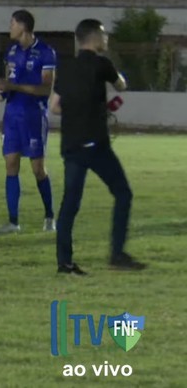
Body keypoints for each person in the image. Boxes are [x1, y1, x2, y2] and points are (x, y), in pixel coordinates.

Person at [50, 19, 145, 275]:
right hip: (96, 145)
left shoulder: (66, 66)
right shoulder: (102, 64)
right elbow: (121, 85)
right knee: (123, 193)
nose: (106, 39)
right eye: (104, 35)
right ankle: (117, 254)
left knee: (70, 204)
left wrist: (79, 109)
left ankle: (65, 263)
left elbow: (55, 107)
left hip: (71, 144)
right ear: (94, 37)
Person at [0, 10, 56, 234]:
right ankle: (13, 221)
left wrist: (14, 87)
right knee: (11, 164)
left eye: (12, 23)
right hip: (12, 114)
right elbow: (9, 79)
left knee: (37, 168)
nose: (10, 27)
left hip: (33, 115)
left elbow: (46, 89)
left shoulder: (45, 52)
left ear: (23, 26)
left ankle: (49, 216)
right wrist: (4, 89)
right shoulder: (11, 51)